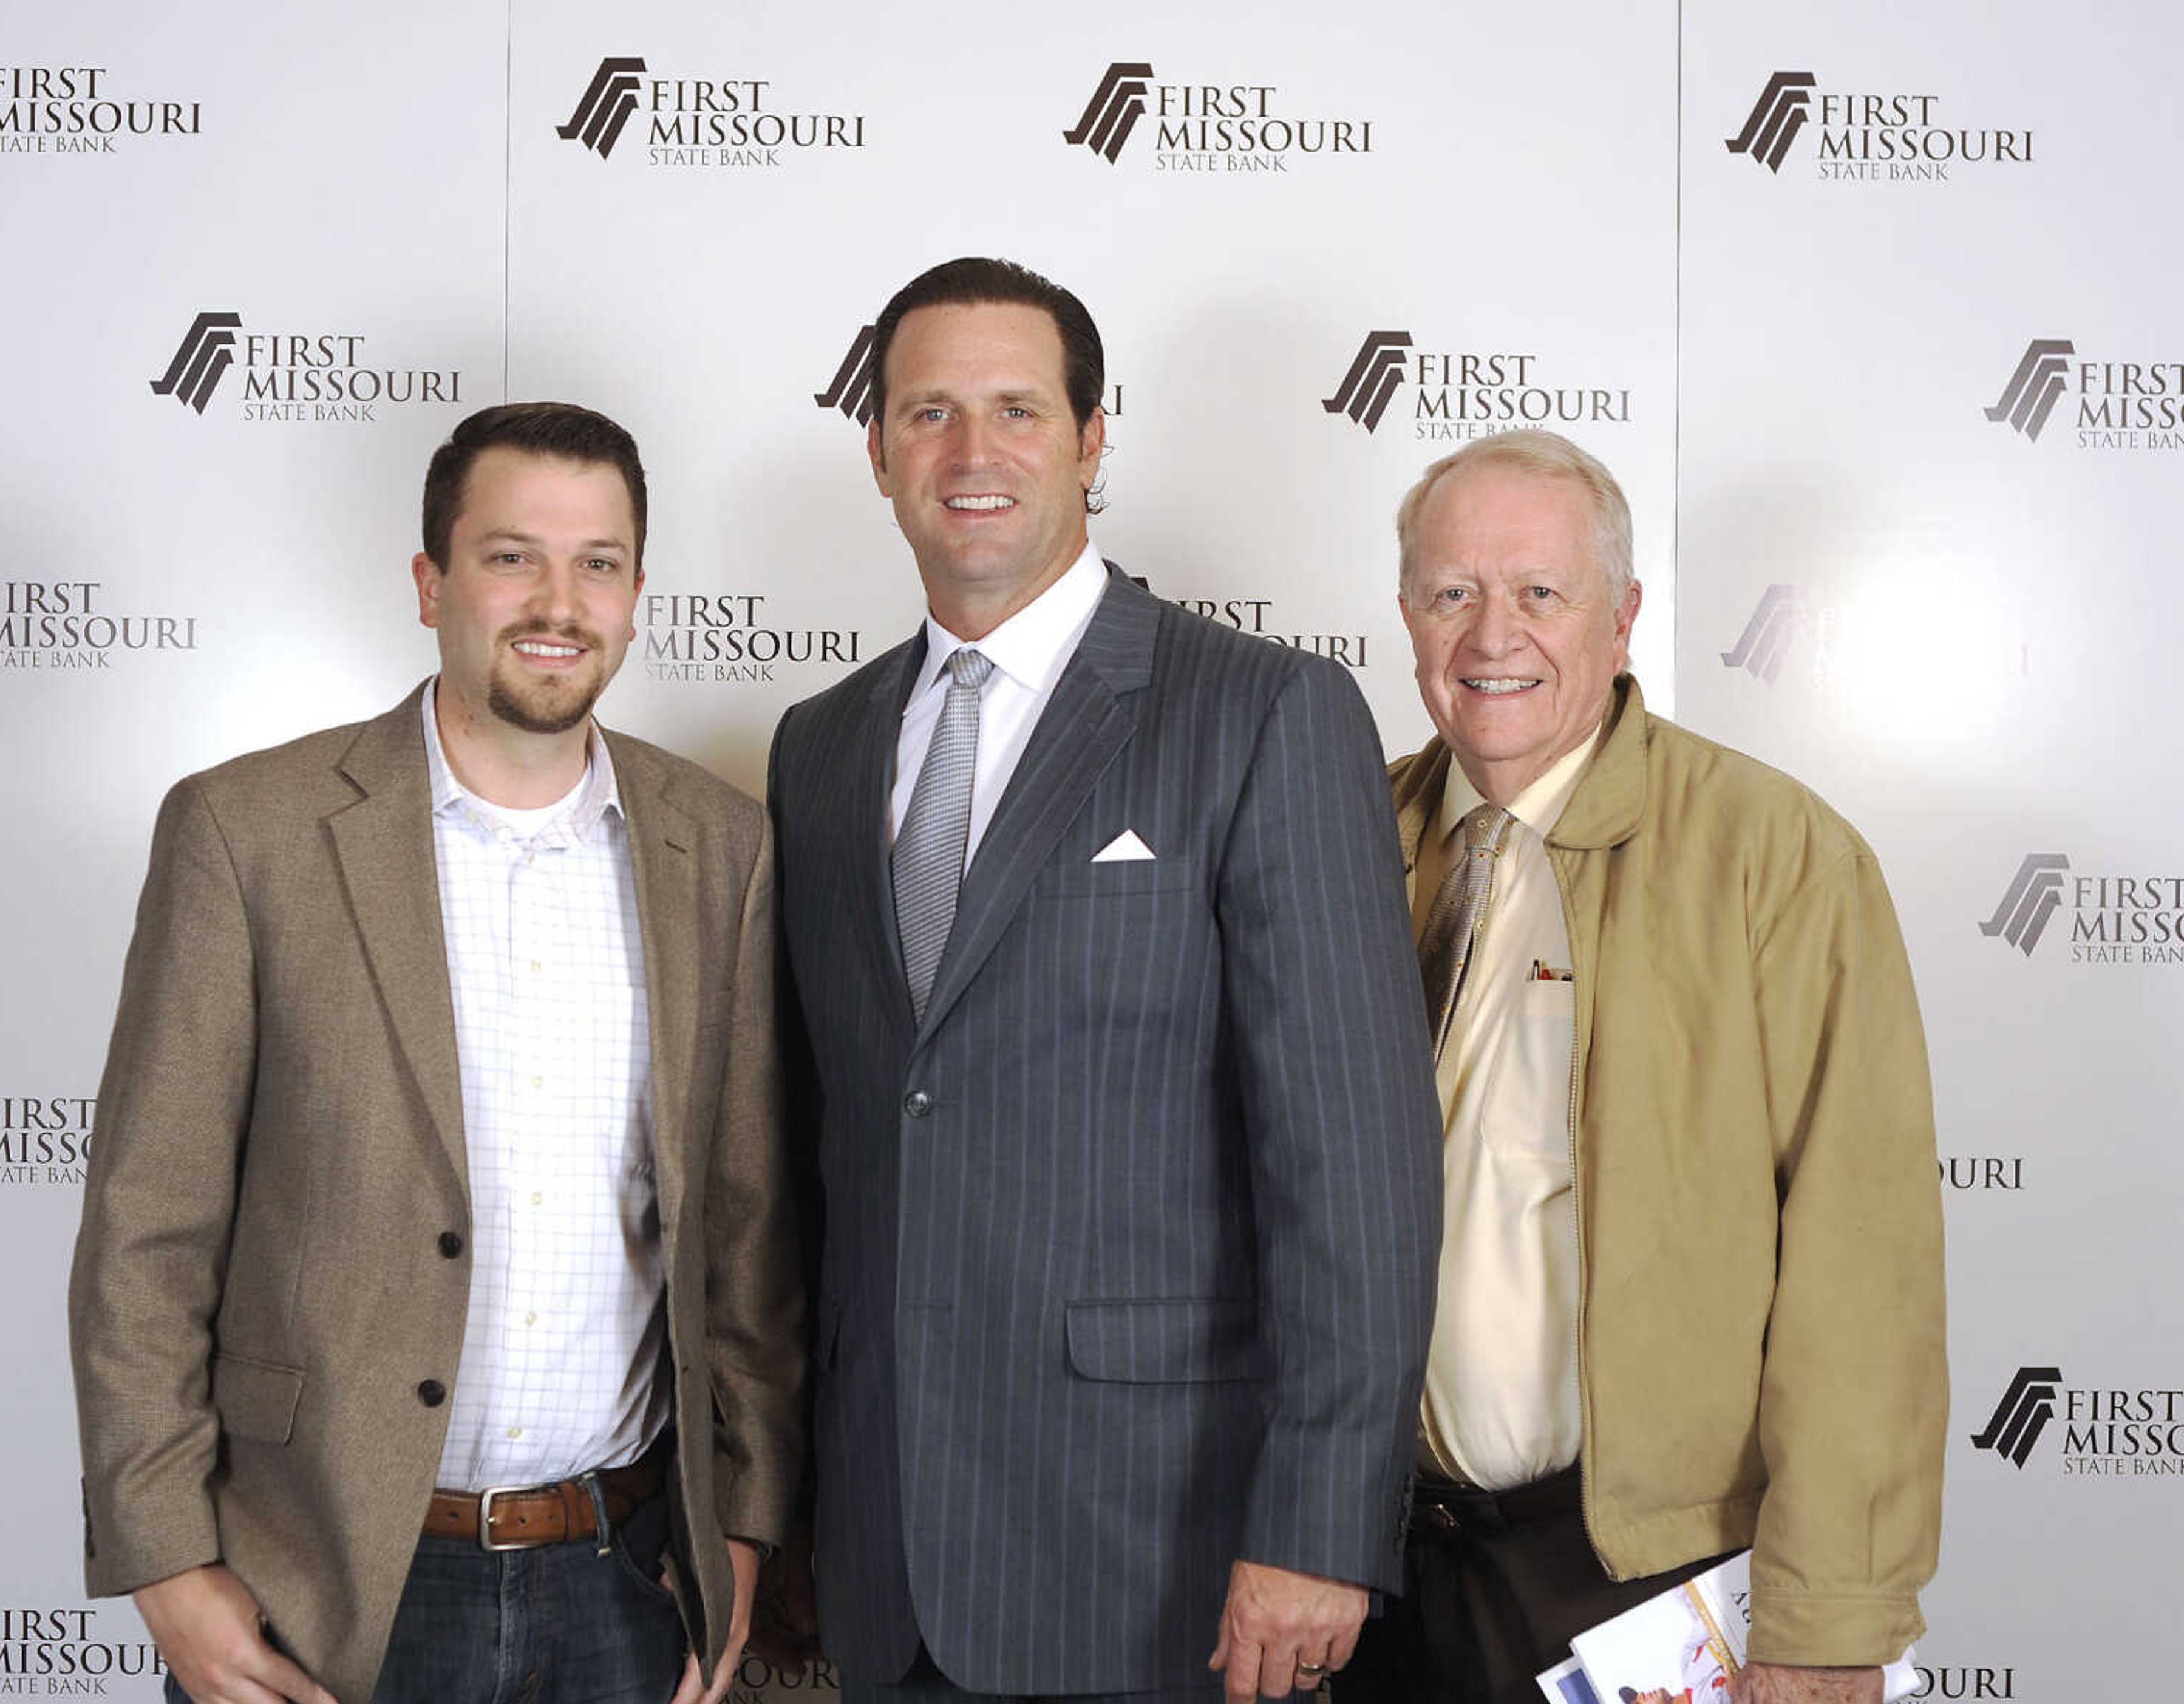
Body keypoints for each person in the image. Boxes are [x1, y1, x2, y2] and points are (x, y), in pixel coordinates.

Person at [768, 256, 1443, 1704]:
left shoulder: (1262, 712)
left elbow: (1355, 1169)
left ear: (1090, 439)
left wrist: (1321, 1525)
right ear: (877, 448)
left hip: (1166, 1567)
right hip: (887, 1569)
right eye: (928, 411)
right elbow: (825, 1160)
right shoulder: (817, 748)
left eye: (1018, 407)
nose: (972, 452)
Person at [67, 402, 803, 1704]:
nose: (558, 601)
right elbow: (148, 1230)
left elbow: (745, 1234)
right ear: (432, 582)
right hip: (322, 1587)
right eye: (512, 555)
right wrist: (166, 1555)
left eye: (600, 562)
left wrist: (738, 1529)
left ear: (637, 594)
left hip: (624, 1589)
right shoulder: (249, 834)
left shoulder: (719, 848)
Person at [1338, 429, 1944, 1704]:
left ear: (1622, 619)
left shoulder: (1774, 858)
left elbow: (1861, 1269)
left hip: (1642, 1586)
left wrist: (1826, 1616)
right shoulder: (1343, 838)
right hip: (1385, 1572)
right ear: (1405, 615)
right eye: (1454, 592)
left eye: (1541, 593)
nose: (1492, 633)